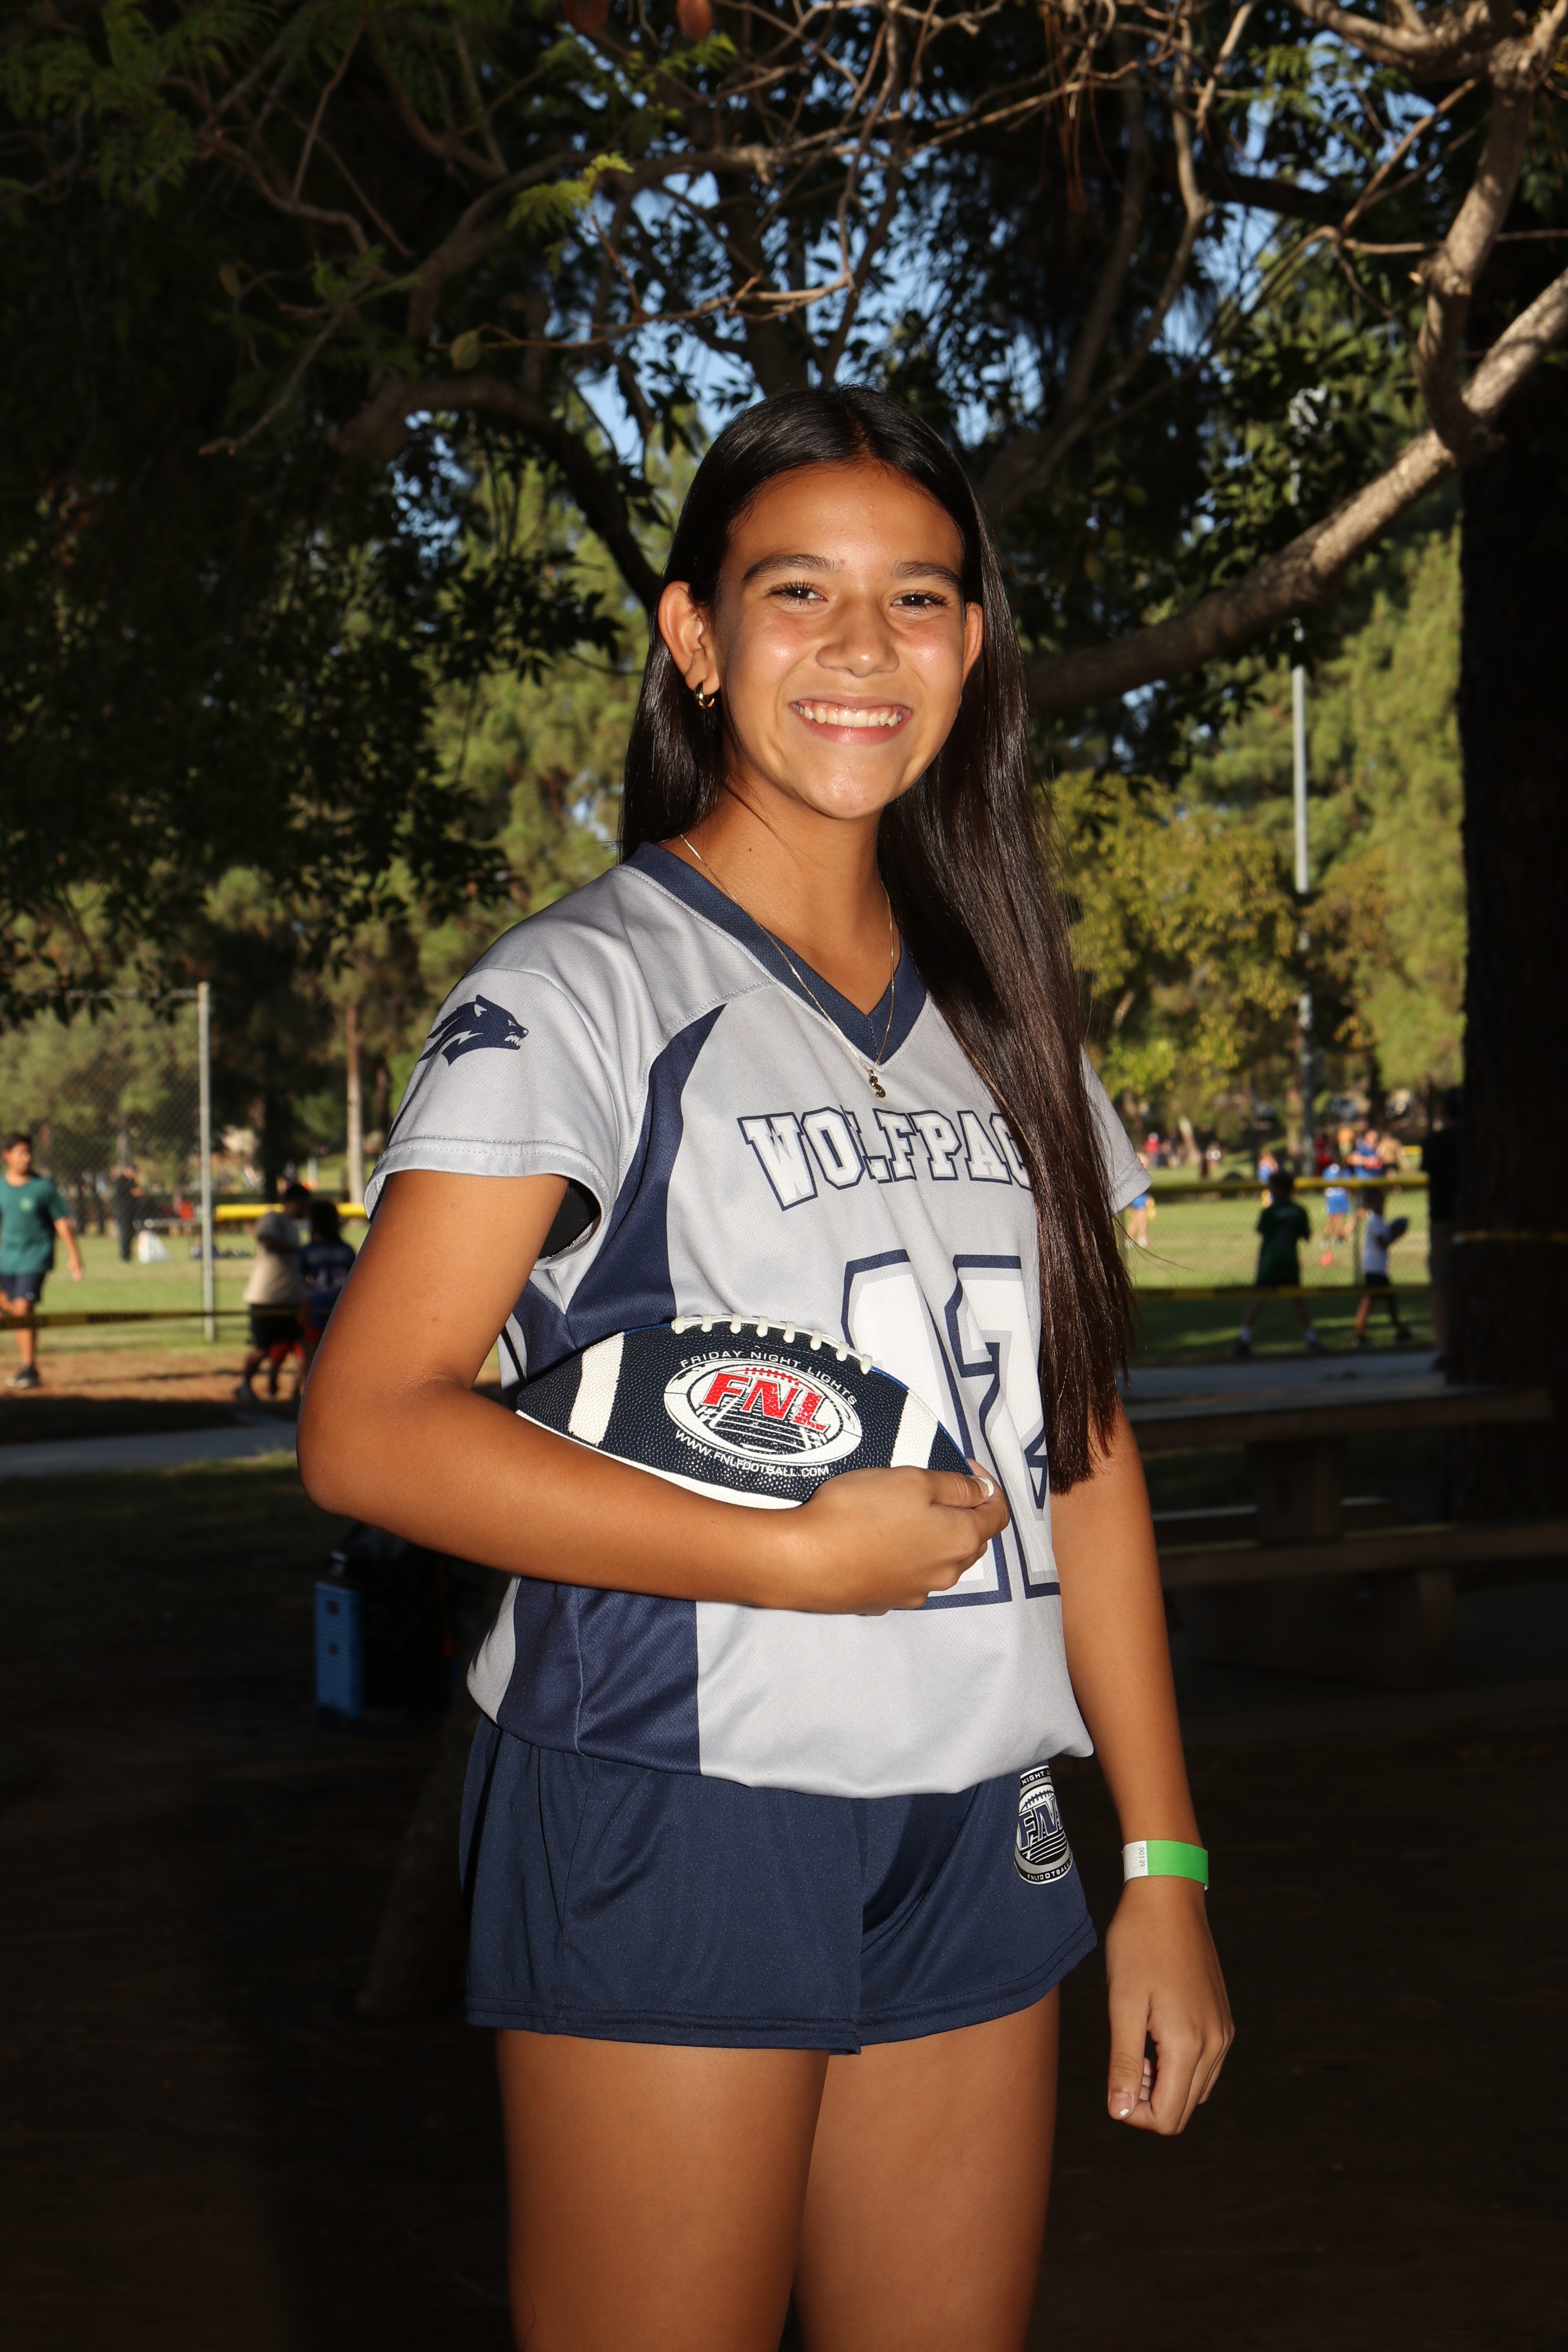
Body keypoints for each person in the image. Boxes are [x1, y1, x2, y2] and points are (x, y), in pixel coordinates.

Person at [299, 388, 1231, 2352]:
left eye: (919, 598)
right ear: (697, 635)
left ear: (972, 647)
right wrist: (789, 1560)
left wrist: (1160, 1858)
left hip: (980, 1800)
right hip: (672, 1792)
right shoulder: (580, 990)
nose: (862, 647)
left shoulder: (1011, 1022)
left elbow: (1079, 1459)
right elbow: (370, 1430)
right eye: (798, 592)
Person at [1, 1132, 86, 1390]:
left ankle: (29, 1368)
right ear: (7, 1156)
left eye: (29, 1153)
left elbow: (61, 1221)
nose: (27, 1158)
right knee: (14, 1310)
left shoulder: (43, 1187)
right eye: (21, 1153)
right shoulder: (1, 1187)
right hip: (7, 1259)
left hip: (36, 1257)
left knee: (23, 1308)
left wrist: (75, 1255)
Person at [234, 1181, 309, 1403]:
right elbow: (267, 1241)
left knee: (301, 1345)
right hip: (267, 1297)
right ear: (295, 1201)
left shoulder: (294, 1228)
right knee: (263, 1347)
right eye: (304, 1203)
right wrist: (300, 1252)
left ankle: (299, 1393)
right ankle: (245, 1384)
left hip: (290, 1298)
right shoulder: (272, 1219)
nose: (307, 1208)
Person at [1234, 1168, 1320, 1357]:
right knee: (1298, 1302)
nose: (1271, 1191)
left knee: (1259, 1301)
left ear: (1282, 1188)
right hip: (1289, 1262)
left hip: (1270, 1263)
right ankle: (1312, 1339)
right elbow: (1306, 1235)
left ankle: (1244, 1340)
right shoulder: (1299, 1210)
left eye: (1273, 1187)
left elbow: (1262, 1231)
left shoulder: (1270, 1212)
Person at [1421, 1087, 1461, 1368]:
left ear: (1445, 1113)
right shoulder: (1479, 1142)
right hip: (1475, 1223)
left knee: (1442, 1288)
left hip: (1443, 1222)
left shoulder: (1433, 1143)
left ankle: (1443, 1349)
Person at [298, 1198, 357, 1368]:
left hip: (316, 1306)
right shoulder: (346, 1250)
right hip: (341, 1308)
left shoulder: (308, 1250)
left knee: (312, 1362)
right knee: (342, 1360)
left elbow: (301, 1280)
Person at [1354, 1185, 1412, 1347]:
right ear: (1372, 1203)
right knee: (1369, 1301)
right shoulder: (1375, 1221)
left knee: (1390, 1300)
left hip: (1377, 1267)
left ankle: (1401, 1331)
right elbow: (1382, 1244)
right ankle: (1358, 1335)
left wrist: (1393, 1231)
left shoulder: (1379, 1220)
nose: (1383, 1204)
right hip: (1374, 1268)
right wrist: (1397, 1234)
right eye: (1379, 1201)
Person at [1320, 1161, 1353, 1266]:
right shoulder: (1345, 1171)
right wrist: (1349, 1199)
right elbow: (1348, 1188)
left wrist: (1326, 1200)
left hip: (1332, 1197)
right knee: (1338, 1219)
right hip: (1340, 1197)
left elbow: (1324, 1187)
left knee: (1332, 1219)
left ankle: (1327, 1240)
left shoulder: (1327, 1171)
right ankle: (1339, 1239)